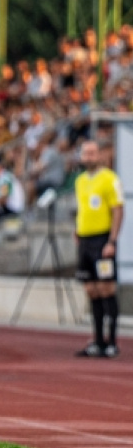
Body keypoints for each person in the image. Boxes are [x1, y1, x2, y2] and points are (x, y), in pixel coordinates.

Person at [74, 140, 123, 358]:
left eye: (93, 153)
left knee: (106, 289)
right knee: (91, 290)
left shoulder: (109, 179)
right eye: (86, 153)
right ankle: (97, 340)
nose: (89, 157)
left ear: (100, 155)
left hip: (102, 241)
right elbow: (83, 208)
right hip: (84, 240)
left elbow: (118, 210)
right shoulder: (80, 181)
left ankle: (111, 341)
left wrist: (112, 241)